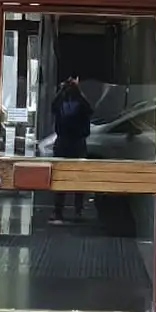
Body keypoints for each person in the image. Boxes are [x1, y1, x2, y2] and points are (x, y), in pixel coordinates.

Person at [49, 75, 92, 224]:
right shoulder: (80, 104)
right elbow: (89, 109)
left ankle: (58, 210)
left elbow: (53, 106)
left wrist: (62, 90)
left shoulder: (62, 104)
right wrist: (77, 90)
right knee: (78, 177)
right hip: (77, 143)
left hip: (63, 142)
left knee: (61, 177)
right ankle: (77, 210)